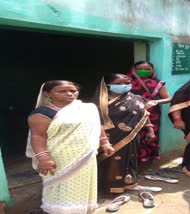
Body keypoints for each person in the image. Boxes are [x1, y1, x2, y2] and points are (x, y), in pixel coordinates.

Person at [26, 80, 114, 214]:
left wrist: (105, 142)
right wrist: (43, 158)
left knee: (82, 183)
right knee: (59, 185)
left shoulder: (87, 108)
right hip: (59, 157)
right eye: (62, 91)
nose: (70, 94)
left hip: (86, 156)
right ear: (47, 94)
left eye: (73, 91)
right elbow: (38, 136)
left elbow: (97, 126)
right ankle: (55, 210)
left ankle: (81, 208)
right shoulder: (42, 114)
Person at [96, 74, 156, 194]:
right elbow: (97, 122)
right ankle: (109, 188)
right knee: (112, 162)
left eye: (127, 83)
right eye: (118, 83)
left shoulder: (135, 98)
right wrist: (104, 141)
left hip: (131, 137)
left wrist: (150, 129)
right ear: (107, 85)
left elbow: (144, 114)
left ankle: (129, 183)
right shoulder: (100, 102)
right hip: (108, 139)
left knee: (130, 160)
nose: (124, 86)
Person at [128, 61, 171, 162]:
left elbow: (168, 98)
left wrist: (154, 101)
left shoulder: (157, 83)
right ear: (134, 70)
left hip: (152, 113)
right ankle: (132, 159)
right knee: (133, 134)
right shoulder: (126, 81)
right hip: (131, 112)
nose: (144, 71)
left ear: (152, 70)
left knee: (150, 134)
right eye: (140, 69)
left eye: (147, 69)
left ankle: (147, 157)